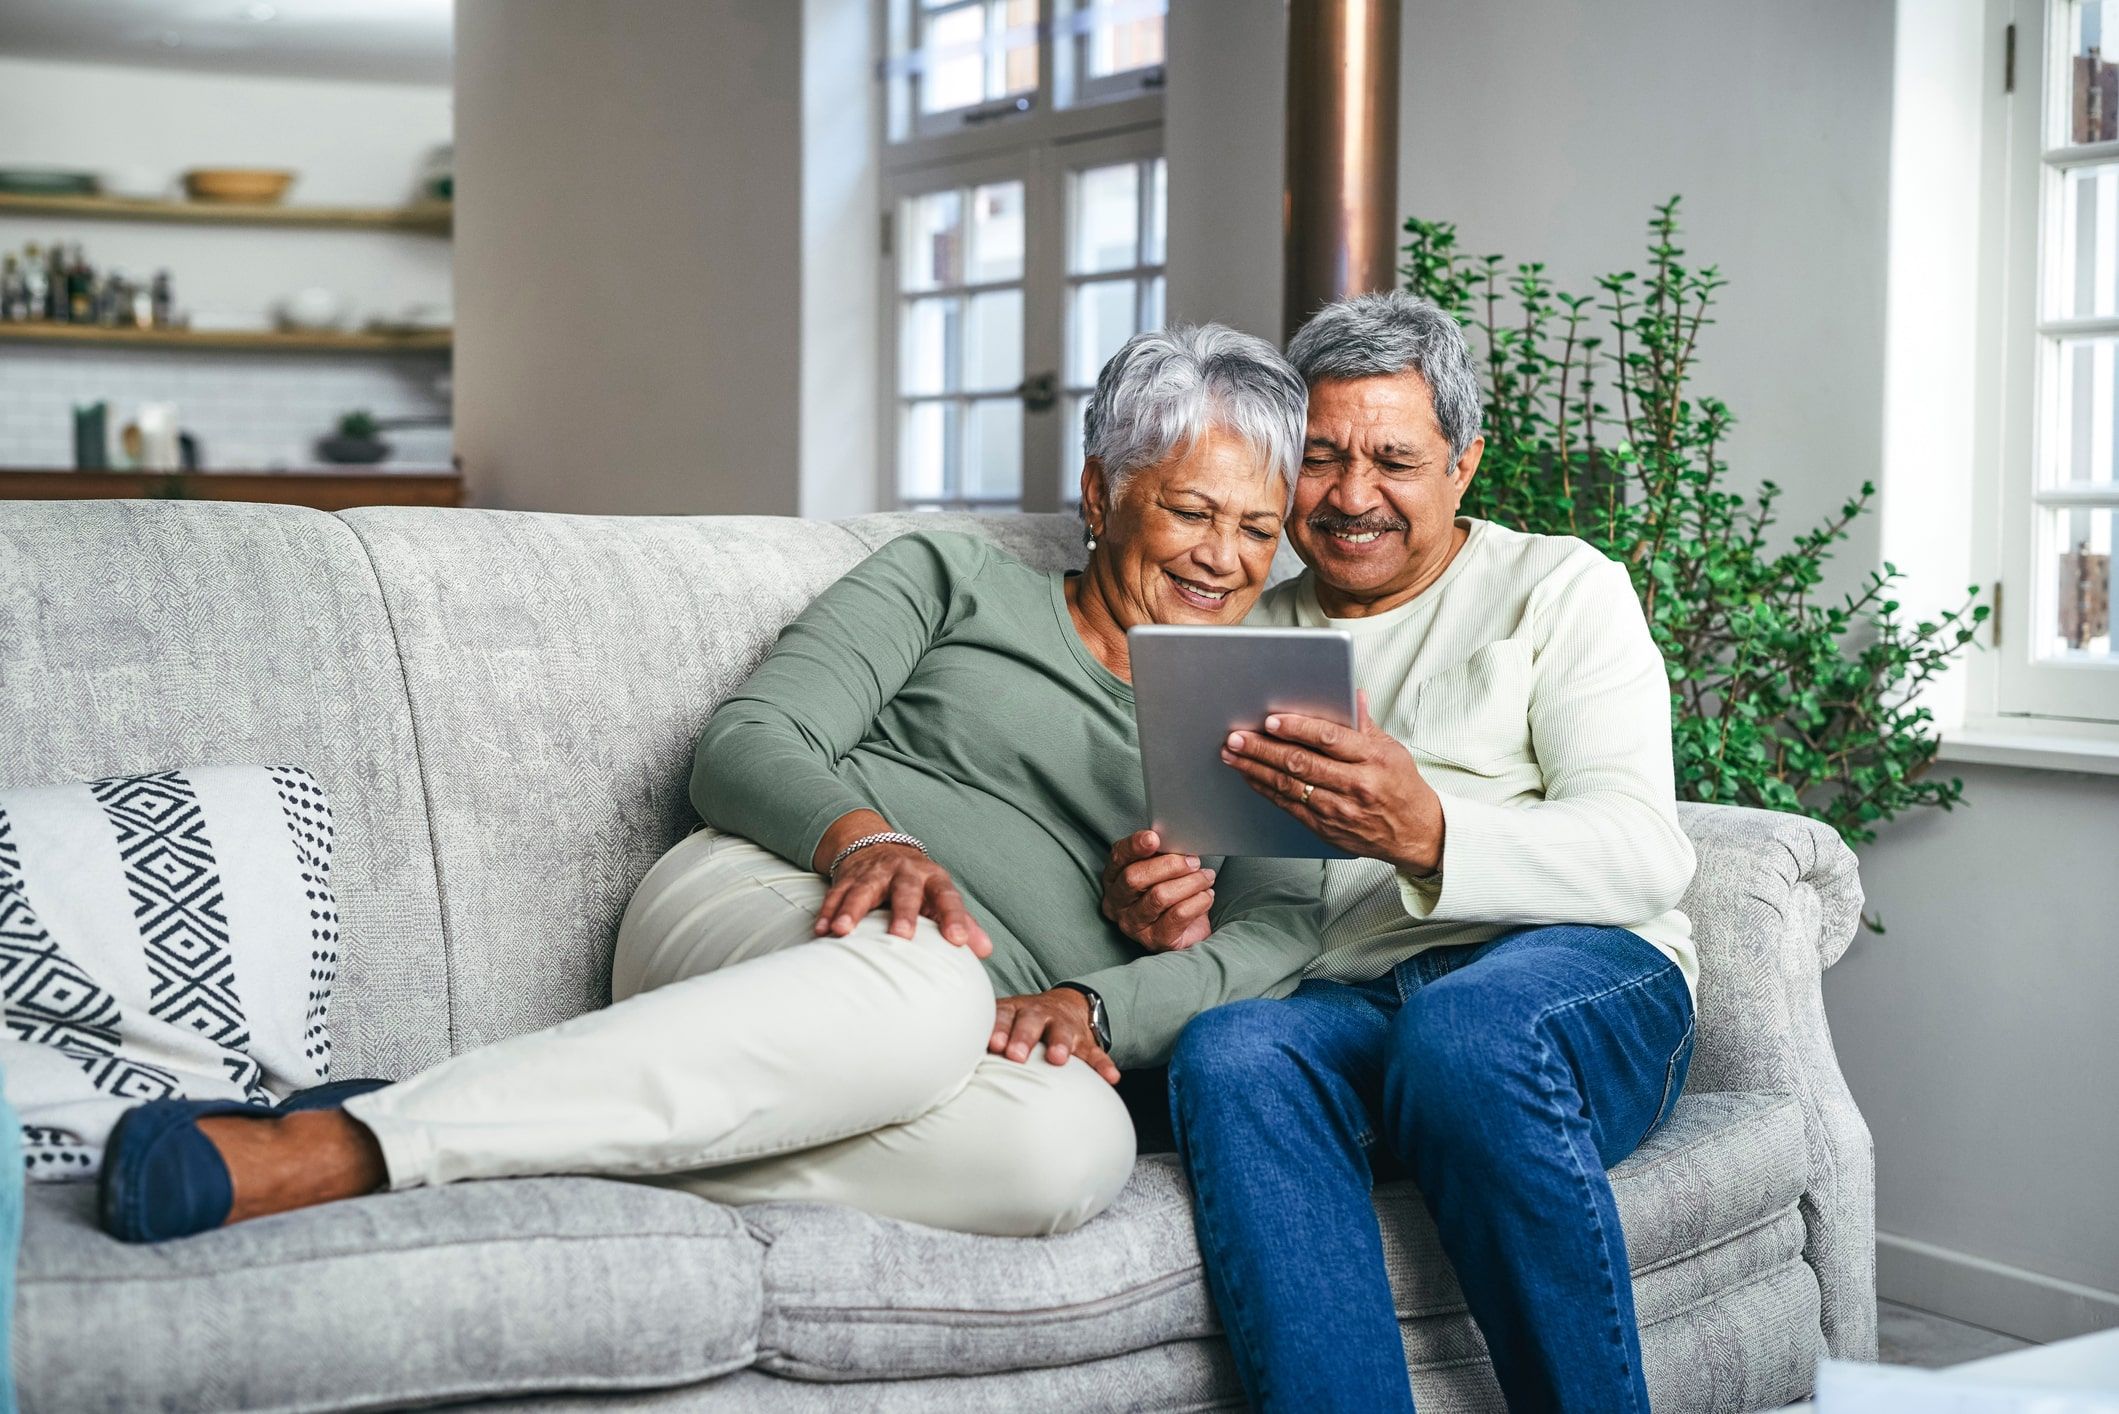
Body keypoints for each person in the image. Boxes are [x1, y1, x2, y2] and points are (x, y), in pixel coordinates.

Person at [100, 324, 1326, 1245]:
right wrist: (863, 840)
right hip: (780, 909)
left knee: (1069, 1155)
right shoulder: (955, 580)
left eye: (1258, 528)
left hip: (979, 1046)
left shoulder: (1258, 694)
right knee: (928, 989)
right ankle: (344, 1147)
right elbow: (748, 736)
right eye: (1191, 510)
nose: (1225, 556)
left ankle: (491, 1126)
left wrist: (1122, 986)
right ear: (1105, 491)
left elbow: (1284, 932)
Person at [1100, 292, 1699, 1412]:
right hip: (1355, 1001)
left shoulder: (1560, 588)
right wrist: (1173, 909)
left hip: (1572, 976)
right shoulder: (1241, 631)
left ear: (1462, 466)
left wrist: (1427, 831)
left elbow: (1644, 855)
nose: (1351, 495)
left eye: (1393, 458)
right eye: (1320, 459)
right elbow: (1253, 904)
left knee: (1462, 1029)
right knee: (1229, 1051)